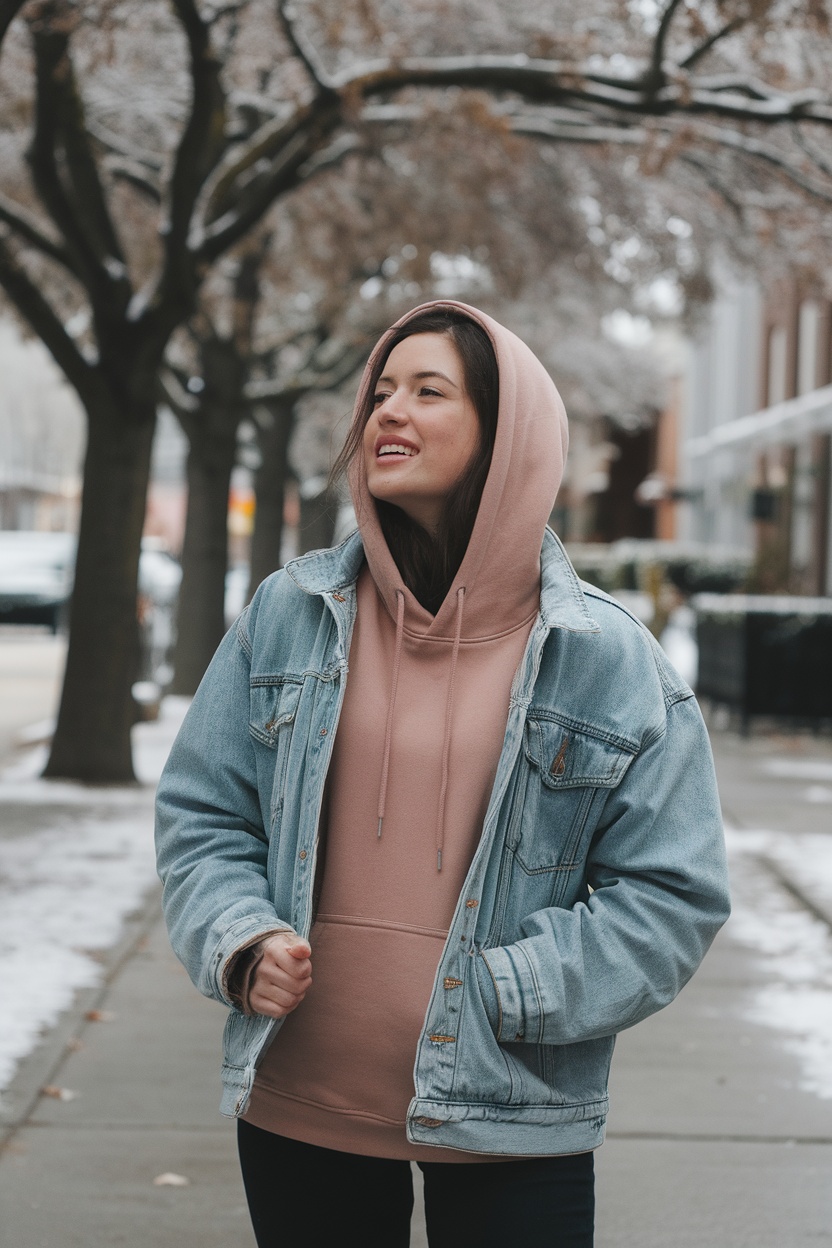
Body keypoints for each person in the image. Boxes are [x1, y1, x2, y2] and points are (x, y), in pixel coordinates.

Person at [155, 300, 730, 1247]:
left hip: (513, 1121)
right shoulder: (289, 612)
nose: (388, 412)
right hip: (302, 1109)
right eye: (380, 391)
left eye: (429, 391)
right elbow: (204, 812)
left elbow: (674, 893)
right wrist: (240, 937)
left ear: (508, 434)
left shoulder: (609, 658)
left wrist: (508, 987)